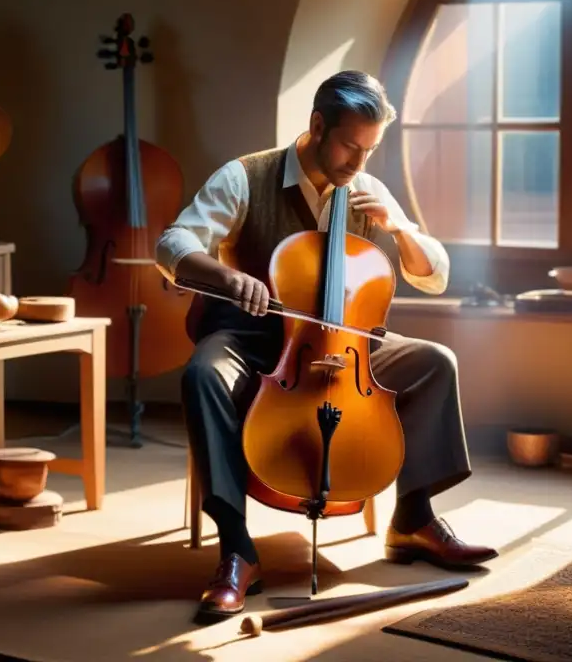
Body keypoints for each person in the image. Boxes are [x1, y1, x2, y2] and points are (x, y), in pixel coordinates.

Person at [155, 70, 497, 623]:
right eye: (349, 144)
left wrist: (401, 230)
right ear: (317, 126)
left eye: (370, 148)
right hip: (255, 334)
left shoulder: (365, 189)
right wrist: (224, 277)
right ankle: (237, 549)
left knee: (434, 363)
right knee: (203, 374)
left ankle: (412, 519)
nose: (358, 161)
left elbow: (435, 275)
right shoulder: (246, 176)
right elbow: (173, 242)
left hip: (344, 343)